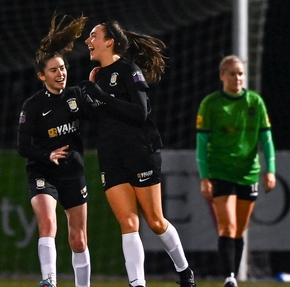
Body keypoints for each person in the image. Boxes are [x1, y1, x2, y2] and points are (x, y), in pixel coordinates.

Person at [81, 21, 195, 287]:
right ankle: (137, 284)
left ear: (109, 42)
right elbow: (101, 116)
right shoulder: (95, 75)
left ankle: (185, 271)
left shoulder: (128, 70)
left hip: (140, 151)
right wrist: (87, 103)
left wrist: (101, 96)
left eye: (93, 36)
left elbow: (140, 112)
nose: (88, 41)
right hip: (110, 154)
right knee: (128, 222)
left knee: (155, 221)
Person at [17, 14, 91, 287]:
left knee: (79, 238)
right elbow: (23, 146)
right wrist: (46, 155)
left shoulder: (76, 97)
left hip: (73, 171)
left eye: (62, 68)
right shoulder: (33, 106)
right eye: (53, 70)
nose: (60, 74)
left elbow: (100, 117)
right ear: (41, 76)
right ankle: (49, 281)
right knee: (48, 222)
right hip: (43, 172)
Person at [196, 55, 276, 287]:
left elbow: (267, 140)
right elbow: (201, 144)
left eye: (240, 73)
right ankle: (230, 277)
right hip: (220, 171)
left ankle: (233, 275)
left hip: (248, 173)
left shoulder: (255, 102)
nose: (237, 78)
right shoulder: (211, 104)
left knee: (240, 230)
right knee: (228, 226)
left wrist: (270, 170)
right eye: (232, 73)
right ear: (222, 76)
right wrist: (204, 177)